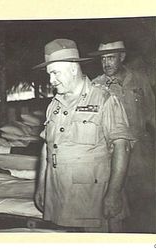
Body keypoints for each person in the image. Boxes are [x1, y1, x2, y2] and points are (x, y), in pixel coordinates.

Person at [33, 39, 135, 232]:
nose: (51, 81)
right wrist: (41, 186)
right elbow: (47, 147)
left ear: (73, 68)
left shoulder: (104, 99)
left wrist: (114, 193)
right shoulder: (53, 105)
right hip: (61, 196)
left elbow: (123, 147)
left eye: (55, 73)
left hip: (93, 197)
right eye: (49, 75)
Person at [89, 38, 156, 231]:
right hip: (113, 158)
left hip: (142, 157)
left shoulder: (139, 79)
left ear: (122, 57)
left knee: (146, 207)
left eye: (110, 57)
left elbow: (152, 114)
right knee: (116, 208)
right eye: (102, 58)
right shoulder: (95, 86)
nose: (106, 63)